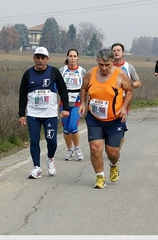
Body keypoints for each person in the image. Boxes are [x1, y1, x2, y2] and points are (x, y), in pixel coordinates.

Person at [79, 48, 133, 189]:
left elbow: (129, 92)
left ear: (112, 62)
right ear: (97, 62)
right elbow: (84, 88)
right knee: (95, 147)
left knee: (112, 152)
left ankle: (114, 165)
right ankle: (100, 177)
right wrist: (83, 104)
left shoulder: (120, 75)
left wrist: (123, 108)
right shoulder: (91, 73)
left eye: (107, 65)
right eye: (101, 64)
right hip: (95, 117)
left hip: (114, 119)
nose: (104, 68)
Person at [18, 46, 70, 179]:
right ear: (34, 58)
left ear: (47, 59)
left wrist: (65, 108)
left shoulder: (54, 72)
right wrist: (21, 114)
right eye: (38, 58)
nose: (40, 60)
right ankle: (36, 168)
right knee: (34, 140)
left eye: (43, 58)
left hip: (50, 114)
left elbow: (63, 90)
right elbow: (22, 94)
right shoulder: (28, 74)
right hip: (33, 114)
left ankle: (50, 158)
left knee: (51, 141)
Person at [111, 42, 142, 154]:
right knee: (109, 126)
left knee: (120, 129)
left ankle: (117, 151)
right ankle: (111, 148)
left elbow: (138, 82)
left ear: (123, 53)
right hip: (110, 101)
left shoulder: (129, 67)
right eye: (114, 50)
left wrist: (130, 85)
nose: (116, 52)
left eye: (118, 50)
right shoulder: (108, 66)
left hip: (124, 102)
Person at [59, 49, 87, 161]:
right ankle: (69, 150)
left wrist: (84, 103)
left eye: (75, 56)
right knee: (66, 128)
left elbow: (85, 88)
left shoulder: (82, 71)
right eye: (70, 56)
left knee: (72, 127)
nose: (72, 58)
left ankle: (77, 148)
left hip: (77, 103)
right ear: (67, 57)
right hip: (64, 103)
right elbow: (58, 87)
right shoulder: (62, 70)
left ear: (77, 58)